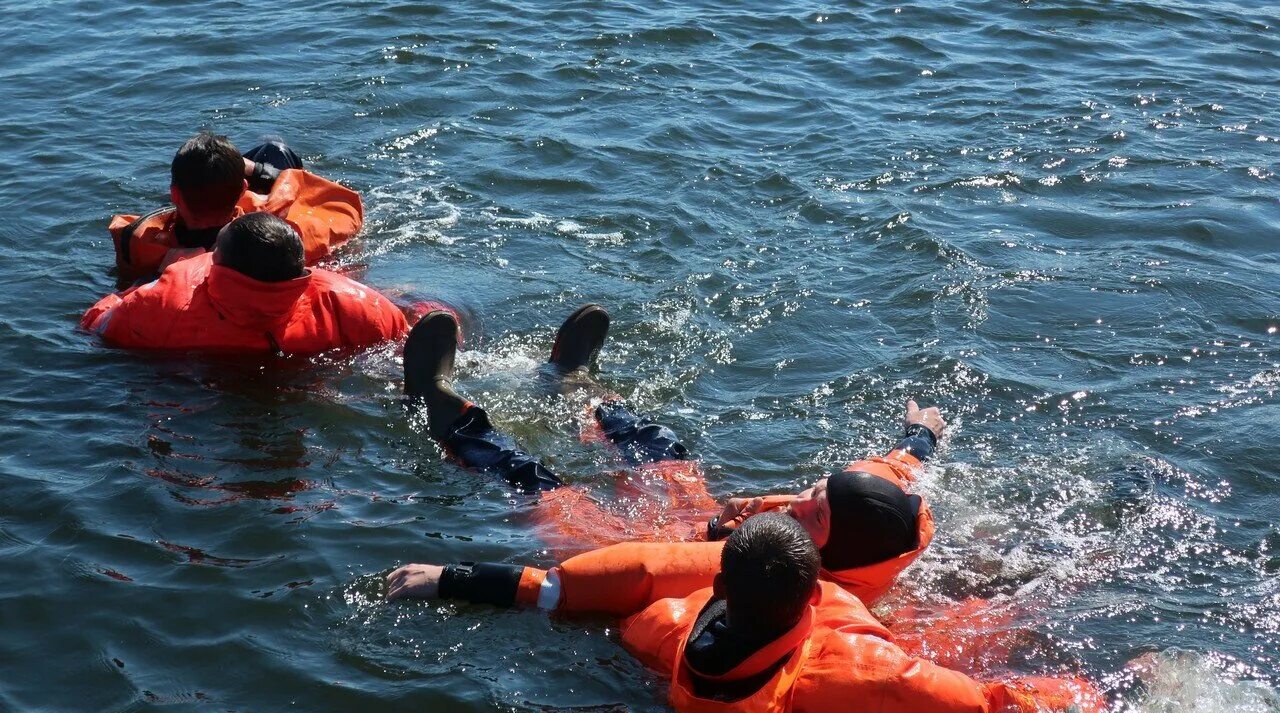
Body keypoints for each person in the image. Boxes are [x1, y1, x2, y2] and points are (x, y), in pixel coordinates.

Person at [385, 513, 1106, 713]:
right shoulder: (874, 676)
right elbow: (1002, 708)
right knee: (1003, 603)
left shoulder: (664, 629)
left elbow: (566, 588)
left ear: (721, 586)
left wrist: (451, 579)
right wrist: (1110, 693)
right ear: (815, 593)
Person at [404, 305, 942, 607]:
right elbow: (884, 477)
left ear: (834, 551)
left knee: (541, 485)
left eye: (816, 513)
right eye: (814, 491)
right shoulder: (883, 526)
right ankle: (580, 389)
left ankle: (448, 416)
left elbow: (581, 584)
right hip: (703, 522)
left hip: (632, 546)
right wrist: (919, 438)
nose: (798, 502)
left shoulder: (780, 578)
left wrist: (450, 580)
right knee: (664, 452)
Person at [82, 212, 407, 355]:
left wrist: (145, 282)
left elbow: (96, 323)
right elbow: (405, 339)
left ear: (221, 266)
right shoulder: (350, 302)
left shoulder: (165, 302)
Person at [110, 133, 363, 280]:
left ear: (174, 194)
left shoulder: (140, 246)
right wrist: (257, 170)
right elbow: (338, 201)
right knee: (275, 150)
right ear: (243, 190)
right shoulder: (283, 238)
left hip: (185, 221)